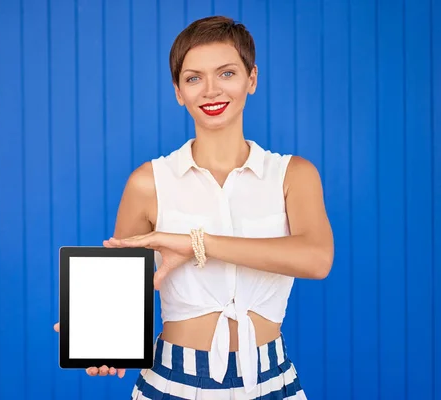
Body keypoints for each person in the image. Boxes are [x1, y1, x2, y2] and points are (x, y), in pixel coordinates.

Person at [55, 15, 333, 399]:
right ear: (178, 91)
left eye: (227, 73)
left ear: (252, 79)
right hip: (172, 382)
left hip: (273, 382)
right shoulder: (147, 182)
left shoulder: (293, 175)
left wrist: (196, 243)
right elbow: (121, 293)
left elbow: (317, 258)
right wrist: (101, 335)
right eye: (193, 78)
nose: (211, 90)